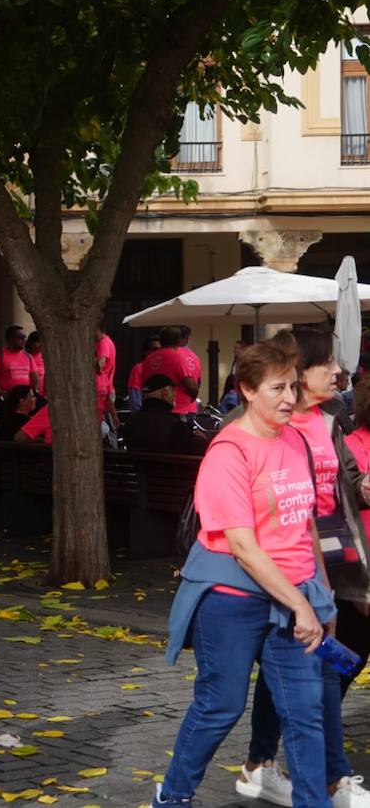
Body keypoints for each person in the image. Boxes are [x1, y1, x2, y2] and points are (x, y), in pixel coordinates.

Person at [152, 336, 334, 808]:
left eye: (293, 386)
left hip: (295, 595)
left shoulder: (296, 440)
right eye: (277, 388)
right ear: (248, 390)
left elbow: (306, 521)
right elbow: (243, 547)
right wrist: (300, 606)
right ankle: (172, 797)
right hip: (234, 599)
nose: (290, 398)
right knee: (221, 705)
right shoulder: (228, 452)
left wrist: (321, 596)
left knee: (305, 711)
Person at [233, 329, 370, 808]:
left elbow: (343, 482)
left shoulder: (330, 419)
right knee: (313, 669)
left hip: (336, 558)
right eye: (328, 362)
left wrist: (363, 484)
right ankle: (326, 778)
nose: (338, 371)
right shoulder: (260, 425)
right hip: (280, 565)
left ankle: (264, 764)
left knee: (304, 670)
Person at [120, 375, 210, 455]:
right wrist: (200, 438)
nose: (175, 394)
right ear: (164, 393)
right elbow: (202, 449)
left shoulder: (131, 423)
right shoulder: (175, 427)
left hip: (140, 473)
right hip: (170, 473)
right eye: (173, 390)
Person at [142, 326, 201, 418]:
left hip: (152, 408)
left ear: (161, 340)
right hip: (178, 409)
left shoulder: (148, 359)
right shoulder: (177, 357)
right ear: (178, 340)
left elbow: (144, 383)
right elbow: (191, 385)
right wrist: (194, 396)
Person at [0, 326, 36, 395]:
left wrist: (33, 392)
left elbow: (35, 378)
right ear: (10, 339)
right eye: (20, 337)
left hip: (25, 399)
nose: (23, 339)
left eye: (24, 337)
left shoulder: (29, 357)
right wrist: (0, 393)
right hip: (7, 398)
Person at [128, 337, 163, 411]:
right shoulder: (139, 369)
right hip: (146, 416)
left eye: (161, 349)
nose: (158, 352)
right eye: (155, 349)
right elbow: (135, 401)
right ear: (145, 352)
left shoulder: (165, 369)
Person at [96, 325, 117, 420]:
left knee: (108, 425)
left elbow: (101, 364)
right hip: (106, 389)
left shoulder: (104, 342)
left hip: (104, 391)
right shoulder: (107, 342)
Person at [26, 331, 46, 396]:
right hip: (29, 395)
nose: (40, 344)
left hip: (44, 395)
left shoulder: (45, 357)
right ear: (30, 343)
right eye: (38, 342)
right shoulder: (25, 357)